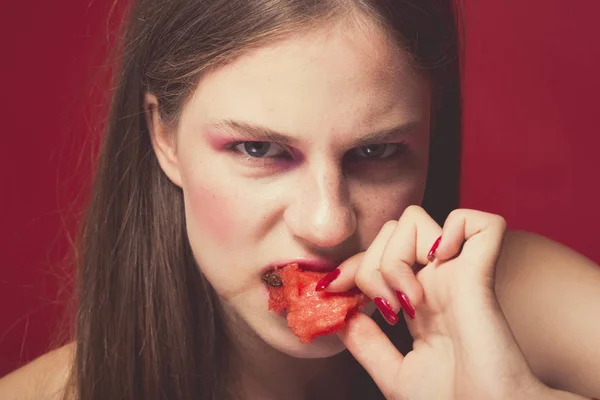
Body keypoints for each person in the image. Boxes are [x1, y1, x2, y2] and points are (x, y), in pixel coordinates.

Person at [1, 0, 599, 399]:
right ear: (164, 137)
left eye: (376, 153)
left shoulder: (511, 302)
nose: (328, 223)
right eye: (258, 149)